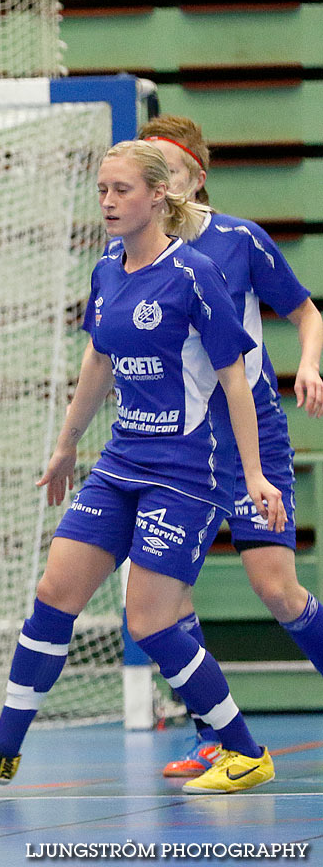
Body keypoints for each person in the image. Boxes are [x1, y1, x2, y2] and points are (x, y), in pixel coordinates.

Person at [0, 140, 288, 795]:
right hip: (120, 461)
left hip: (188, 470)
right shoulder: (106, 272)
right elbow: (98, 362)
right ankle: (2, 747)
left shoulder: (195, 274)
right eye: (102, 191)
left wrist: (256, 475)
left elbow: (236, 380)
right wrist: (66, 445)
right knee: (55, 591)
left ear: (156, 196)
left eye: (122, 191)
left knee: (148, 621)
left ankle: (244, 750)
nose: (109, 203)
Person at [136, 115, 323, 778]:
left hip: (250, 436)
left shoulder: (239, 240)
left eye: (170, 172)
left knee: (276, 589)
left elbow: (306, 311)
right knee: (166, 597)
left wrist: (308, 363)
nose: (158, 186)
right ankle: (214, 737)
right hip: (178, 448)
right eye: (147, 173)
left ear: (196, 179)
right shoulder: (136, 253)